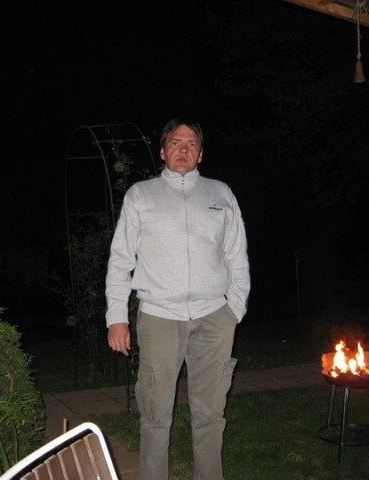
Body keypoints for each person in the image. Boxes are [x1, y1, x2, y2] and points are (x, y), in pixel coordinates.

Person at [105, 118, 250, 480]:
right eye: (175, 142)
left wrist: (234, 309)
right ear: (162, 151)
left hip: (214, 317)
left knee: (211, 414)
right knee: (155, 415)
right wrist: (116, 317)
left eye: (191, 144)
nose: (183, 150)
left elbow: (237, 256)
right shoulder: (141, 196)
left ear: (200, 154)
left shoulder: (220, 194)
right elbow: (121, 260)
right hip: (159, 318)